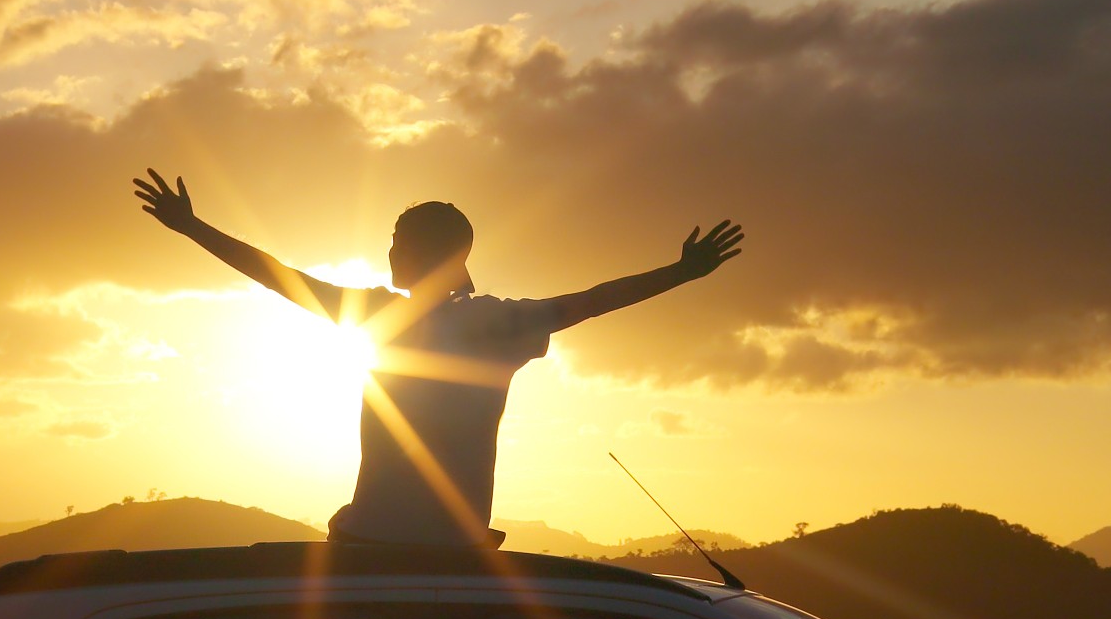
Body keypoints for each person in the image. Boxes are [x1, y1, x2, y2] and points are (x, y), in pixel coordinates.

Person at [133, 168, 743, 549]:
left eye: (399, 243)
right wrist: (681, 274)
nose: (389, 252)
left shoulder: (390, 314)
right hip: (445, 548)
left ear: (430, 252)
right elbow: (589, 302)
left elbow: (276, 276)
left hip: (380, 545)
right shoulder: (496, 323)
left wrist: (193, 229)